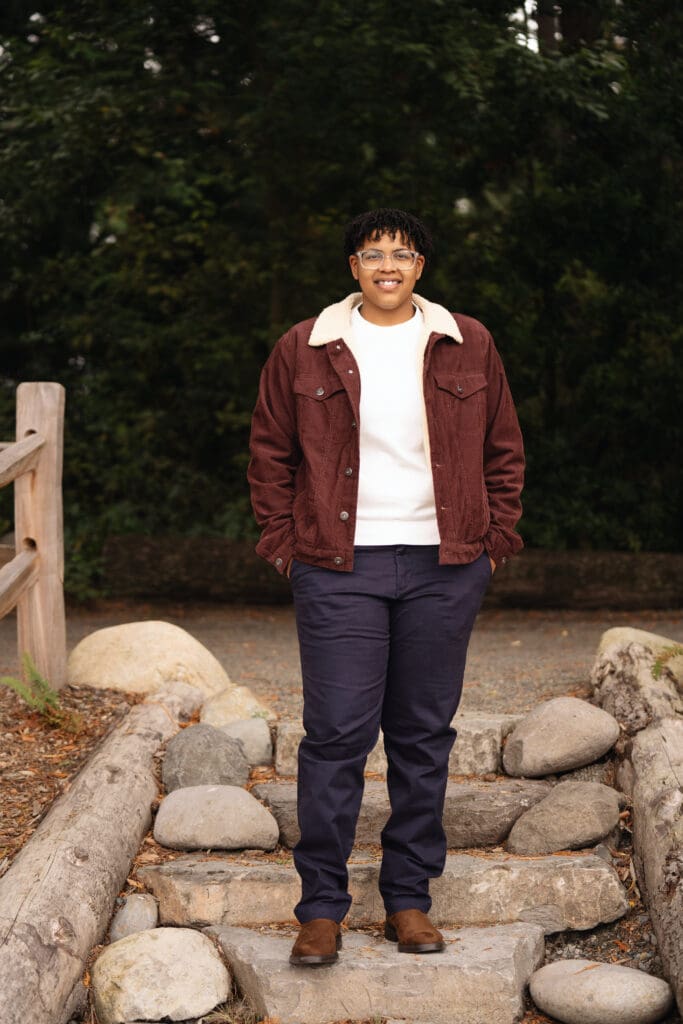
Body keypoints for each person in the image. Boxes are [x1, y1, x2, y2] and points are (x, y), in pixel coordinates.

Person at [248, 208, 524, 966]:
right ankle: (321, 910)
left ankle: (408, 899)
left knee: (422, 736)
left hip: (444, 565)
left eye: (401, 254)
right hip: (339, 565)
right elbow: (269, 453)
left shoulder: (467, 342)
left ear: (421, 267)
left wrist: (492, 541)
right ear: (352, 267)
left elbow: (503, 447)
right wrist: (285, 546)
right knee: (335, 734)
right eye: (372, 254)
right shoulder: (305, 347)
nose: (387, 265)